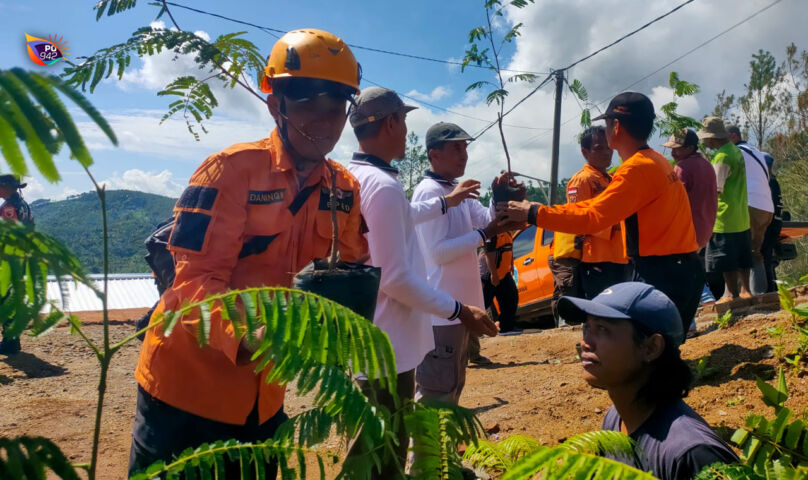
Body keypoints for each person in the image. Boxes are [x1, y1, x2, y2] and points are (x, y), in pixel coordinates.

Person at [129, 29, 369, 477]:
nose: (324, 117)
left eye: (337, 103)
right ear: (274, 102)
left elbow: (349, 273)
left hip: (265, 402)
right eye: (308, 100)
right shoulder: (230, 172)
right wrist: (249, 337)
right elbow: (193, 279)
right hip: (186, 392)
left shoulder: (344, 190)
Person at [344, 87, 497, 477]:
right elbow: (395, 277)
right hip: (388, 341)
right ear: (392, 122)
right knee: (381, 449)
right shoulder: (382, 185)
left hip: (373, 333)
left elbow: (406, 216)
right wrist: (460, 310)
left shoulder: (360, 177)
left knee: (379, 444)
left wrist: (449, 201)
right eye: (405, 121)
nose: (407, 131)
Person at [498, 92, 703, 339]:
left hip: (662, 272)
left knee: (645, 352)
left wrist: (533, 212)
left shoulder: (635, 169)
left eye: (606, 125)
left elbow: (591, 216)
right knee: (658, 350)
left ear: (616, 126)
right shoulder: (656, 161)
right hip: (679, 267)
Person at [557, 282, 739, 479]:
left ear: (651, 348)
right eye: (587, 328)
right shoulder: (615, 419)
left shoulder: (691, 454)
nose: (585, 342)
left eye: (602, 328)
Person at [412, 122, 513, 404]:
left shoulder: (457, 189)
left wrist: (500, 196)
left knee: (452, 387)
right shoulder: (430, 193)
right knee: (435, 392)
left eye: (465, 147)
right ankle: (424, 448)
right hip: (441, 311)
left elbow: (485, 220)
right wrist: (483, 236)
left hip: (461, 310)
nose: (464, 154)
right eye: (456, 148)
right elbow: (438, 254)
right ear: (434, 154)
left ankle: (439, 447)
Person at [568, 126, 631, 299]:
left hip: (620, 256)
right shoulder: (582, 179)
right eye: (599, 148)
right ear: (585, 152)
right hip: (597, 258)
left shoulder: (611, 179)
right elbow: (577, 219)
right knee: (602, 309)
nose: (606, 153)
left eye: (609, 147)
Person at [663, 129, 719, 315]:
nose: (673, 153)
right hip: (705, 228)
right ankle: (705, 298)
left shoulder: (682, 168)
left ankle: (701, 303)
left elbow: (673, 201)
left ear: (690, 148)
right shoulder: (706, 164)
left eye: (677, 149)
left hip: (685, 230)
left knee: (677, 275)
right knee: (689, 269)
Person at [697, 117, 753, 303]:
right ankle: (746, 289)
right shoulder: (735, 150)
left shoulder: (721, 156)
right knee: (743, 256)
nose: (703, 141)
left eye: (705, 138)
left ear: (711, 138)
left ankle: (730, 294)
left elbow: (716, 189)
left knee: (726, 257)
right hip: (741, 215)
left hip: (724, 216)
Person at [728, 125, 774, 295]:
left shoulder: (735, 152)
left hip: (750, 203)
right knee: (755, 252)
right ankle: (758, 294)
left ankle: (748, 295)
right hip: (766, 207)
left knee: (740, 250)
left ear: (733, 136)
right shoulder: (756, 152)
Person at [0, 174, 33, 355]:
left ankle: (10, 341)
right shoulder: (24, 205)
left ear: (7, 187)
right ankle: (12, 339)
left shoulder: (8, 208)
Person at [760, 153, 783, 292]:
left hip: (769, 225)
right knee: (767, 258)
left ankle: (769, 290)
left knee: (764, 258)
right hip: (775, 224)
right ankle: (771, 288)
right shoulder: (773, 181)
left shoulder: (768, 182)